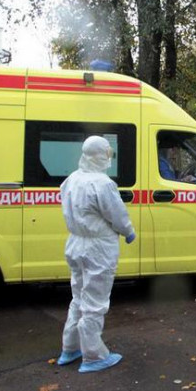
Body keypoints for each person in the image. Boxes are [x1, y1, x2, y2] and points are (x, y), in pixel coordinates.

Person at [56, 136, 136, 374]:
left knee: (78, 298)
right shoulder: (102, 184)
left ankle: (69, 348)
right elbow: (116, 214)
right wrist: (128, 231)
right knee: (94, 303)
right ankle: (93, 356)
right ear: (101, 155)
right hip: (98, 249)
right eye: (107, 153)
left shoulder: (72, 179)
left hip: (75, 243)